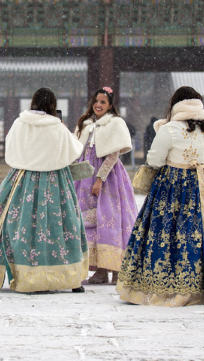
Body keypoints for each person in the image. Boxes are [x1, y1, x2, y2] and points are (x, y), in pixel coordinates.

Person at [117, 86, 204, 306]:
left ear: (176, 105)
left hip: (174, 187)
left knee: (170, 234)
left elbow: (155, 159)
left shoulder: (169, 129)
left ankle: (169, 288)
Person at [0, 87, 88, 293]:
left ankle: (25, 274)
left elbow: (11, 146)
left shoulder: (19, 122)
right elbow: (74, 151)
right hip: (53, 181)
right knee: (60, 228)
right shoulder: (56, 127)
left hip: (22, 180)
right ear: (53, 105)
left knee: (19, 225)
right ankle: (68, 276)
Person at [74, 86, 137, 285]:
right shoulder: (86, 124)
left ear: (110, 105)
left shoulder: (115, 123)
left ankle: (117, 268)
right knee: (91, 222)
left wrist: (100, 179)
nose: (98, 105)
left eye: (103, 102)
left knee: (111, 219)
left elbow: (113, 154)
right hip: (85, 177)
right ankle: (100, 270)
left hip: (108, 178)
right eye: (96, 101)